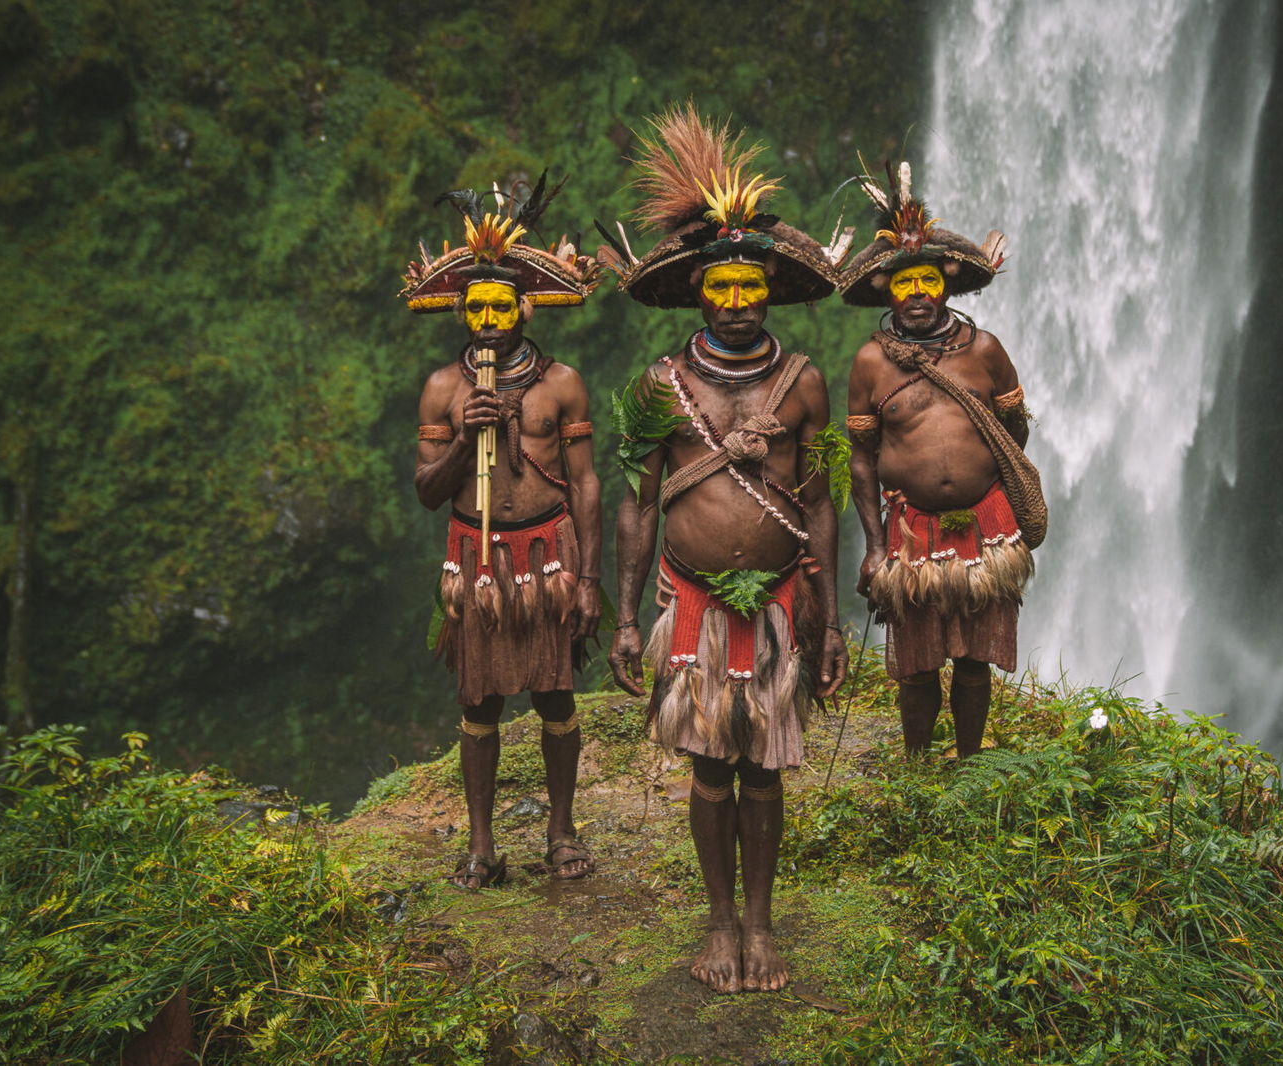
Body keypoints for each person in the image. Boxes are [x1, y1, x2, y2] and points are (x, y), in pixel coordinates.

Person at [602, 105, 850, 993]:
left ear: (770, 292)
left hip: (781, 601)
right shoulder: (655, 388)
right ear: (700, 291)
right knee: (711, 763)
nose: (739, 302)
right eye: (724, 287)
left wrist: (829, 622)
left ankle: (760, 926)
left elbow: (823, 503)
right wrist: (626, 618)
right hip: (693, 603)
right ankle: (716, 924)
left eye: (753, 287)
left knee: (768, 766)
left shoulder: (806, 383)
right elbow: (635, 508)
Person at [401, 177, 603, 888]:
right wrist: (467, 440)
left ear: (524, 305)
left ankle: (562, 832)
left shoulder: (561, 383)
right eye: (476, 306)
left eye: (501, 305)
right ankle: (483, 846)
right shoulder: (442, 390)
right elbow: (428, 491)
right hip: (475, 559)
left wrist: (591, 581)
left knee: (554, 694)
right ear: (461, 310)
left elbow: (585, 483)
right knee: (479, 700)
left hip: (549, 555)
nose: (489, 318)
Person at [841, 163, 1047, 758]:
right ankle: (917, 762)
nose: (917, 295)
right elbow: (861, 461)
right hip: (911, 532)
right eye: (903, 285)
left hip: (985, 525)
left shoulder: (984, 351)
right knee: (918, 664)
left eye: (928, 281)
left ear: (947, 285)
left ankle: (970, 758)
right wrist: (876, 546)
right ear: (886, 290)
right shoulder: (870, 364)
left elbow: (1012, 430)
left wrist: (991, 485)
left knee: (974, 658)